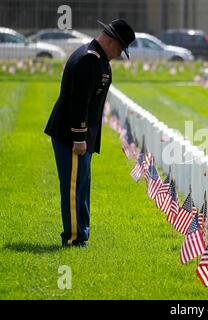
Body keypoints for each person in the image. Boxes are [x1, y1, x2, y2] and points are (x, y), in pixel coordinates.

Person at [44, 19, 135, 247]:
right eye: (119, 49)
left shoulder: (97, 57)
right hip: (72, 135)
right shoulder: (89, 59)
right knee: (74, 187)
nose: (118, 54)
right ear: (111, 41)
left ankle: (81, 232)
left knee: (82, 186)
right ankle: (74, 238)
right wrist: (79, 137)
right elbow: (79, 102)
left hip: (84, 135)